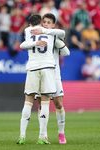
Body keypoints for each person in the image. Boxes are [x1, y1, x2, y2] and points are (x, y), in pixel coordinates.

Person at [20, 13, 70, 144]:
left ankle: (61, 133)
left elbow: (67, 52)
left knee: (59, 104)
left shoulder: (54, 36)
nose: (45, 24)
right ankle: (44, 134)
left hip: (55, 75)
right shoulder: (40, 35)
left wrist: (58, 46)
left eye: (48, 22)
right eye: (44, 22)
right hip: (43, 73)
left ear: (53, 25)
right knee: (41, 104)